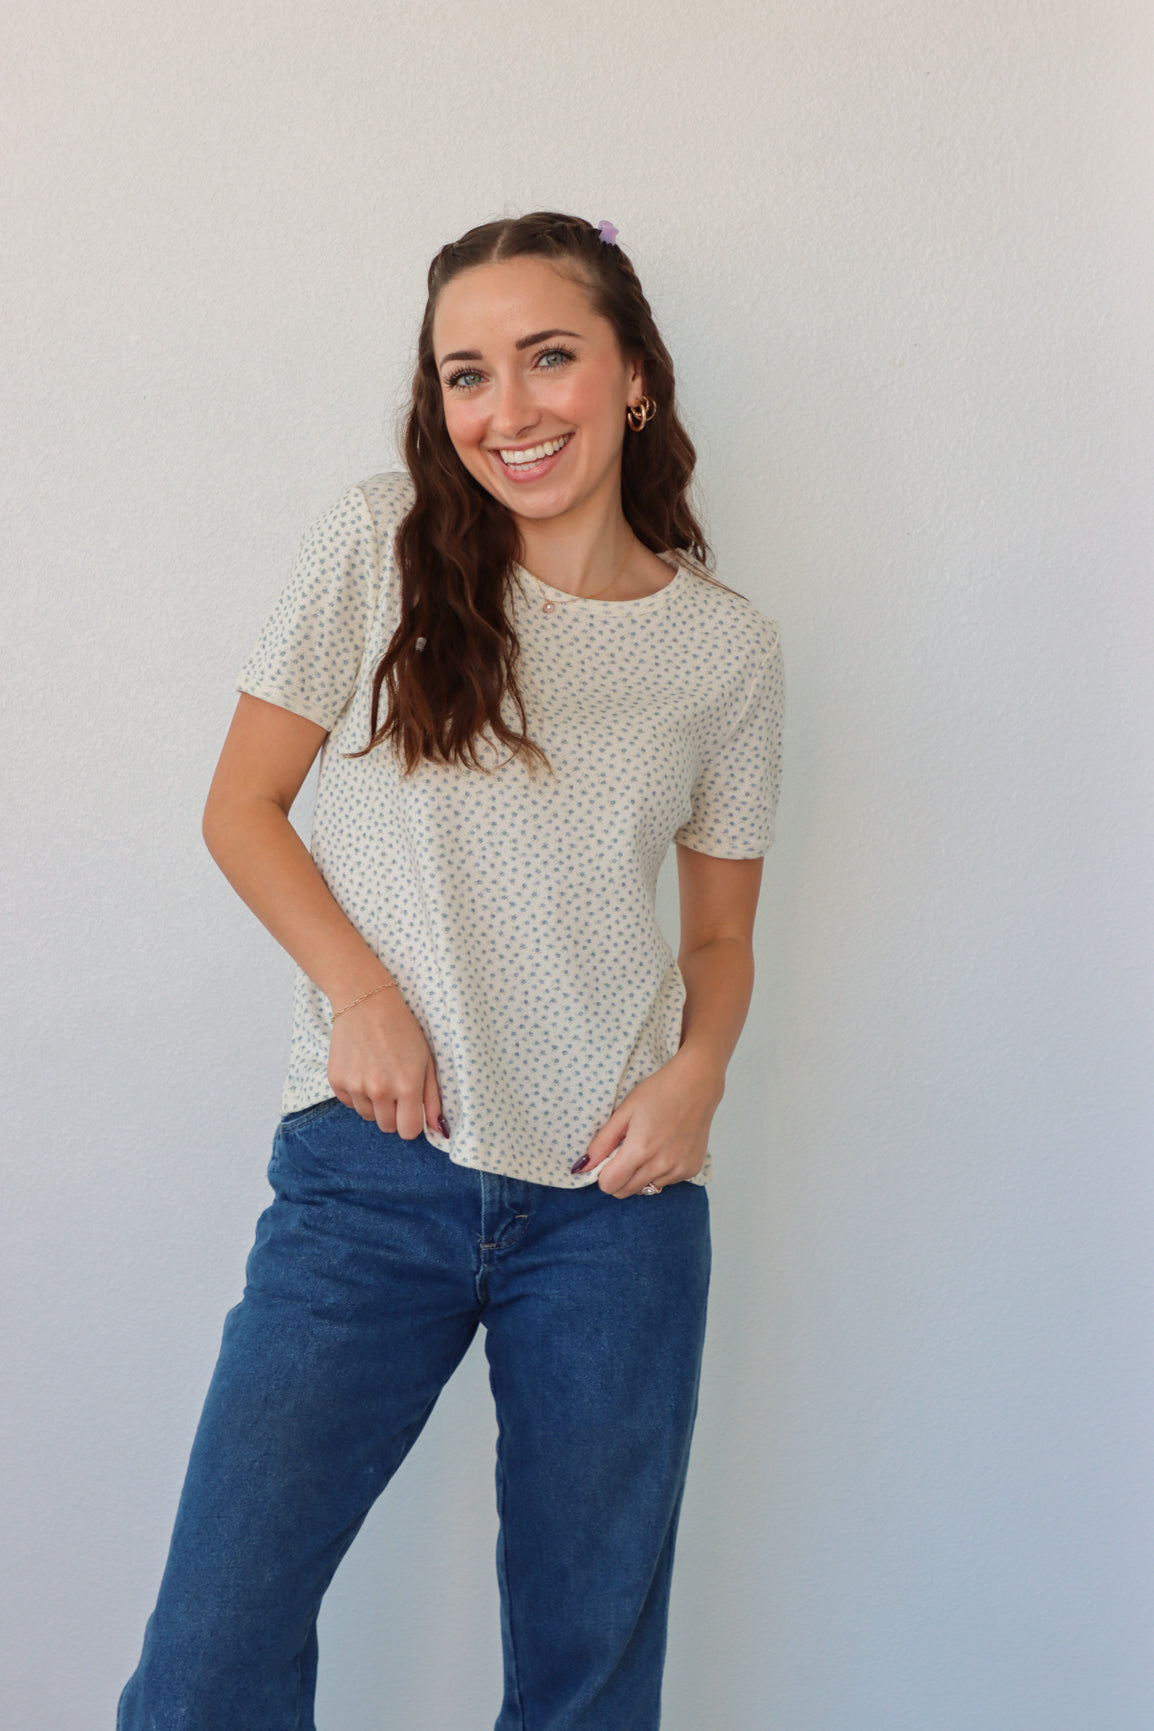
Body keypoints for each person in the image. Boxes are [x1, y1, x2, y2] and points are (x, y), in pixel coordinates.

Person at [118, 211, 784, 1731]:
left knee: (587, 1682)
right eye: (464, 376)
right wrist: (360, 994)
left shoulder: (725, 652)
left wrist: (697, 1077)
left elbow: (721, 938)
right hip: (372, 1176)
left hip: (610, 1214)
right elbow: (240, 807)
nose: (506, 410)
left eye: (547, 357)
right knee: (211, 1651)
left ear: (630, 377)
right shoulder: (379, 545)